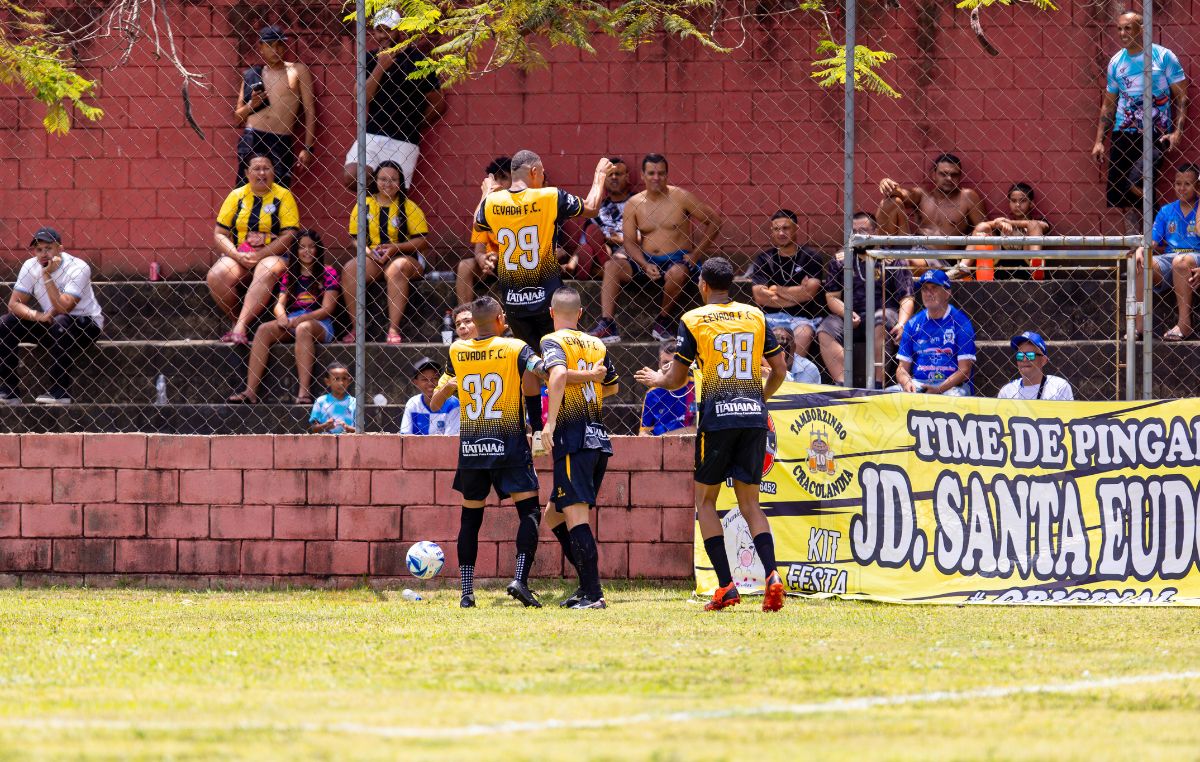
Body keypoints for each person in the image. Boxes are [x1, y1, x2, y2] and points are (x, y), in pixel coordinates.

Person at [635, 257, 788, 613]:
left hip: (717, 418)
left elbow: (676, 378)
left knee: (705, 501)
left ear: (702, 284)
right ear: (730, 284)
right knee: (750, 504)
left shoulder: (693, 319)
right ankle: (772, 575)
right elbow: (779, 369)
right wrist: (759, 400)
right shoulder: (755, 315)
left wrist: (658, 379)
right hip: (752, 417)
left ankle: (726, 586)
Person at [474, 150, 614, 452]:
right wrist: (599, 176)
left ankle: (538, 430)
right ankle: (566, 425)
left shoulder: (493, 202)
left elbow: (479, 220)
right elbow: (591, 207)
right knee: (561, 358)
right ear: (535, 172)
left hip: (513, 299)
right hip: (548, 298)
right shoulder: (549, 196)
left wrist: (486, 193)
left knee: (530, 361)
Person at [443, 296, 547, 609]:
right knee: (529, 511)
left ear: (474, 322)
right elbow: (541, 371)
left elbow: (447, 385)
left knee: (470, 517)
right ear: (501, 319)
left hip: (472, 447)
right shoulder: (515, 348)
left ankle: (466, 592)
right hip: (509, 444)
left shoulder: (457, 350)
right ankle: (519, 579)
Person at [539, 287, 620, 609]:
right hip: (597, 439)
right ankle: (586, 584)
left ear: (551, 312)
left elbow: (558, 375)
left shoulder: (551, 340)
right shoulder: (597, 343)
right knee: (553, 516)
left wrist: (550, 423)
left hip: (573, 439)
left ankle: (593, 593)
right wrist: (588, 380)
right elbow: (611, 386)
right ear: (582, 314)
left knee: (576, 517)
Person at [590, 154, 722, 343]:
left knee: (677, 273)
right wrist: (643, 264)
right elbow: (629, 242)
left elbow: (714, 222)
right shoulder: (634, 204)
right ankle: (607, 325)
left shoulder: (681, 197)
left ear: (667, 175)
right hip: (647, 260)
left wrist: (696, 254)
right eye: (651, 173)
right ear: (643, 176)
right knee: (612, 266)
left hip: (678, 259)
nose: (656, 177)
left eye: (661, 173)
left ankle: (663, 321)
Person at [1091, 11, 1188, 227]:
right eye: (1119, 29)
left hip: (1155, 133)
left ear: (1142, 29)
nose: (1122, 33)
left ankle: (1160, 227)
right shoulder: (1116, 62)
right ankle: (1149, 235)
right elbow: (1109, 104)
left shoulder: (1163, 57)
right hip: (1123, 132)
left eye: (1128, 28)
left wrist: (1177, 131)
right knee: (1119, 190)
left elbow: (1182, 96)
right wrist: (1099, 141)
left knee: (1137, 181)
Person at [229, 230, 338, 405]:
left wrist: (302, 320)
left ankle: (304, 393)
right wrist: (281, 317)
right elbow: (280, 303)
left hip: (319, 323)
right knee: (263, 330)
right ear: (295, 250)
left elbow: (328, 308)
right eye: (302, 247)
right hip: (293, 319)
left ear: (318, 249)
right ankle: (250, 392)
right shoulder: (290, 273)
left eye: (311, 247)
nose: (307, 251)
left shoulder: (328, 272)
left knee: (304, 328)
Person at [342, 10, 445, 192]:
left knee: (393, 190)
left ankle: (385, 207)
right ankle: (373, 205)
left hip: (404, 138)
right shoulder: (369, 59)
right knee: (352, 176)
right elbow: (360, 98)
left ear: (400, 30)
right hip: (372, 133)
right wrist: (381, 66)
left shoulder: (418, 60)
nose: (383, 35)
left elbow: (438, 102)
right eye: (379, 30)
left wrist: (415, 125)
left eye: (388, 30)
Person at [0, 227, 104, 405]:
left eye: (48, 248)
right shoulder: (30, 266)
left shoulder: (78, 267)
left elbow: (64, 307)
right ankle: (9, 392)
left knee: (61, 321)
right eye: (38, 249)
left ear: (60, 249)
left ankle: (59, 392)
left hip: (85, 324)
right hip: (53, 324)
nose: (43, 254)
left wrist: (47, 275)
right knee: (5, 323)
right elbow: (14, 304)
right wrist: (38, 316)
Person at [208, 155, 301, 344]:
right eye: (256, 169)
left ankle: (240, 326)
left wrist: (260, 254)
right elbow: (220, 233)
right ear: (246, 173)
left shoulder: (283, 196)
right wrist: (236, 255)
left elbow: (290, 235)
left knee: (266, 267)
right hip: (241, 257)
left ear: (273, 172)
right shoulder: (236, 196)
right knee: (217, 274)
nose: (261, 173)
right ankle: (237, 321)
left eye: (266, 168)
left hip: (275, 257)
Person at [816, 212, 916, 386]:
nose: (858, 235)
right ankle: (843, 385)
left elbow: (906, 297)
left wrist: (902, 323)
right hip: (851, 316)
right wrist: (845, 312)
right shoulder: (841, 260)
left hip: (884, 316)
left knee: (880, 318)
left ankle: (876, 384)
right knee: (826, 329)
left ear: (875, 232)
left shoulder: (892, 259)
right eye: (854, 232)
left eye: (863, 231)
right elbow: (831, 296)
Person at [341, 160, 431, 344]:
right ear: (375, 181)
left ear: (400, 182)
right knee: (350, 269)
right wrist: (368, 252)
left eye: (393, 179)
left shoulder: (408, 206)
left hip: (406, 258)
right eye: (383, 179)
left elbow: (422, 241)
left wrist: (395, 248)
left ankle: (393, 329)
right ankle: (357, 328)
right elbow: (356, 239)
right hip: (374, 258)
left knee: (396, 268)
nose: (387, 184)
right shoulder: (363, 205)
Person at [232, 26, 316, 188]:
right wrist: (251, 105)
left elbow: (310, 110)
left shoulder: (297, 70)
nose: (275, 50)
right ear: (261, 48)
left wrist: (308, 147)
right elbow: (237, 118)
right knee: (245, 191)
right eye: (270, 45)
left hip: (280, 139)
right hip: (252, 137)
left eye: (279, 45)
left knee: (279, 191)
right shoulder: (253, 75)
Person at [877, 153, 987, 275]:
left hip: (939, 258)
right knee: (891, 202)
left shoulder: (967, 197)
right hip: (913, 247)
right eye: (943, 174)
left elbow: (984, 230)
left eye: (954, 175)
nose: (949, 178)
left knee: (906, 263)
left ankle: (892, 265)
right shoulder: (922, 194)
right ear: (934, 175)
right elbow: (902, 194)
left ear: (960, 176)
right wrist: (887, 185)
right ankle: (883, 254)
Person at [1135, 164, 1200, 340]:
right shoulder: (1167, 210)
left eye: (1188, 184)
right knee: (1140, 263)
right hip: (1170, 258)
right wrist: (1141, 249)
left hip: (1194, 257)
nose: (1182, 188)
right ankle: (1138, 326)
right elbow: (1153, 239)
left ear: (1197, 185)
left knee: (1181, 261)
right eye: (1178, 183)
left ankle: (1184, 324)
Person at [749, 209, 825, 360]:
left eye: (786, 228)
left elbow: (809, 293)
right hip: (769, 317)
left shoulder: (810, 257)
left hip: (801, 318)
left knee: (804, 332)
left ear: (796, 228)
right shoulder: (763, 259)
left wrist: (775, 289)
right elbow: (760, 297)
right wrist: (798, 292)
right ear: (771, 231)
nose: (781, 233)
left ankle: (791, 372)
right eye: (776, 229)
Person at [892, 269, 976, 396]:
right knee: (888, 393)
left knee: (954, 396)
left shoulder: (961, 323)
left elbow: (965, 370)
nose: (928, 293)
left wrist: (939, 389)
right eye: (925, 289)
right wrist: (906, 382)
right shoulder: (913, 323)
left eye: (934, 288)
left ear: (947, 292)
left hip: (951, 386)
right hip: (918, 383)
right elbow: (902, 368)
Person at [951, 182, 1051, 280]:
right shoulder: (1003, 226)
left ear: (1031, 203)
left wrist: (1010, 223)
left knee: (1033, 224)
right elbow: (981, 227)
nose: (1017, 205)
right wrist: (997, 223)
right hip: (1000, 272)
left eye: (1023, 200)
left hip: (1029, 270)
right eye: (1013, 201)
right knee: (982, 227)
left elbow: (1041, 225)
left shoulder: (1037, 223)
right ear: (1009, 203)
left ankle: (1036, 263)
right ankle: (963, 267)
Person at [455, 157, 511, 307]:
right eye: (495, 179)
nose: (498, 183)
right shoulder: (485, 207)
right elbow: (479, 249)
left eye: (504, 178)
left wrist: (499, 257)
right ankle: (465, 313)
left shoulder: (520, 207)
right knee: (465, 265)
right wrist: (482, 259)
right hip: (491, 264)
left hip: (515, 262)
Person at [578, 157, 634, 279]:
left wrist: (621, 240)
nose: (614, 177)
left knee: (621, 254)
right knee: (590, 245)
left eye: (618, 174)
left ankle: (600, 271)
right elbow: (587, 238)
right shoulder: (596, 208)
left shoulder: (637, 202)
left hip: (628, 248)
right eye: (610, 175)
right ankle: (604, 267)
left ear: (627, 177)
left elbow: (645, 237)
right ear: (604, 179)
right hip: (603, 248)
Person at [639, 339, 695, 436]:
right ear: (659, 365)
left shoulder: (696, 387)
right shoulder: (652, 393)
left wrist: (665, 438)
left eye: (675, 363)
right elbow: (644, 432)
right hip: (659, 444)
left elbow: (698, 428)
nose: (670, 367)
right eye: (665, 362)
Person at [998, 331, 1074, 401]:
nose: (1024, 359)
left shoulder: (1059, 387)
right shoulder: (1007, 391)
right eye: (1020, 355)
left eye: (1030, 355)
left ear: (1043, 360)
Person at [400, 356, 460, 435]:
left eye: (435, 378)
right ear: (415, 382)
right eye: (424, 379)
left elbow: (451, 438)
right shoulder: (413, 403)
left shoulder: (452, 404)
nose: (430, 383)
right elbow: (405, 435)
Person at [310, 362, 356, 434]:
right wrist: (325, 426)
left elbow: (360, 429)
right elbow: (314, 428)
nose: (341, 383)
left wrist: (347, 428)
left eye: (344, 378)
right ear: (327, 381)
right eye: (336, 379)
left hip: (349, 440)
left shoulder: (353, 402)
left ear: (349, 381)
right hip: (326, 440)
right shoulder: (321, 401)